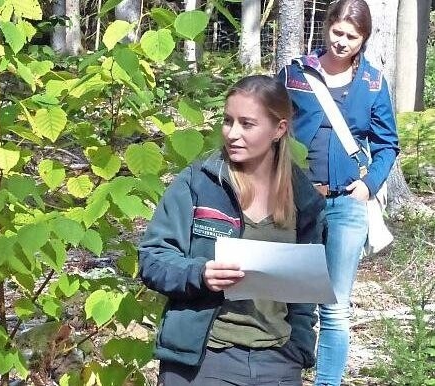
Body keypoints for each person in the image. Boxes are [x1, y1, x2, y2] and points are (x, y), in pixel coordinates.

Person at [138, 75, 326, 386]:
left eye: (247, 124)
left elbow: (306, 293)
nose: (233, 134)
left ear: (279, 130)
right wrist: (200, 274)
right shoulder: (198, 182)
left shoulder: (304, 200)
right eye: (228, 121)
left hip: (278, 361)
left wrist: (299, 350)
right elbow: (153, 258)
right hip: (205, 358)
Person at [277, 1, 400, 385]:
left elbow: (387, 144)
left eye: (352, 36)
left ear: (363, 40)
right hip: (297, 203)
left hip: (348, 205)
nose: (342, 41)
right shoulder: (294, 74)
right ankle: (286, 375)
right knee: (295, 302)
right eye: (337, 32)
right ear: (326, 26)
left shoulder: (373, 83)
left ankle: (327, 382)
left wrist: (368, 186)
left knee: (334, 307)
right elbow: (270, 125)